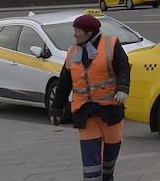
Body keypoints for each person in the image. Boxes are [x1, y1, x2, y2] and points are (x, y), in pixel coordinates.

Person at [51, 13, 131, 181]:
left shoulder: (111, 44)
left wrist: (122, 88)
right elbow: (64, 83)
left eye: (77, 31)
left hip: (110, 110)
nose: (74, 35)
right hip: (84, 111)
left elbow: (123, 67)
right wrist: (56, 109)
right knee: (90, 156)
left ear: (88, 32)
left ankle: (107, 176)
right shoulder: (72, 52)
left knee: (111, 152)